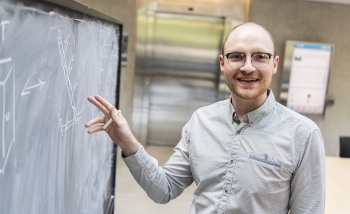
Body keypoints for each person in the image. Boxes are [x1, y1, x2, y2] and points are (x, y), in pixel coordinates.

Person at [85, 22, 325, 213]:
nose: (248, 67)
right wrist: (128, 143)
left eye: (260, 56)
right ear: (223, 63)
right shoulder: (201, 121)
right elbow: (164, 189)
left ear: (274, 64)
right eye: (237, 56)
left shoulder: (303, 135)